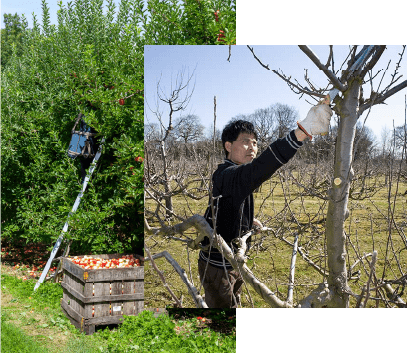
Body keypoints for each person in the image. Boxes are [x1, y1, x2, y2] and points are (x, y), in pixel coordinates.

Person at [198, 98, 333, 308]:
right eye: (245, 141)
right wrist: (302, 131)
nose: (252, 146)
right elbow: (259, 168)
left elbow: (230, 205)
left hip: (233, 261)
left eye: (254, 142)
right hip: (218, 266)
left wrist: (248, 221)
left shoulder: (236, 175)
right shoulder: (226, 175)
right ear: (228, 145)